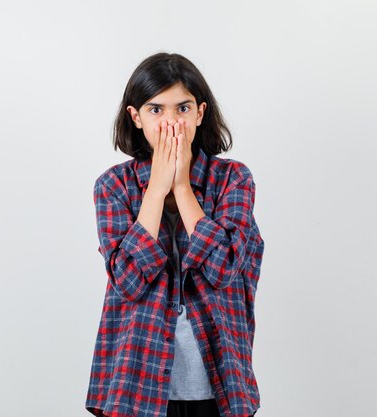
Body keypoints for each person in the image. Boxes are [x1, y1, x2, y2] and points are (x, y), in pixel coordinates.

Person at [85, 52, 264, 417]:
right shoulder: (113, 186)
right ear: (135, 117)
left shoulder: (233, 180)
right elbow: (129, 282)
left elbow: (224, 267)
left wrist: (182, 187)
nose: (171, 122)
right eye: (156, 110)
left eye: (182, 109)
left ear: (200, 113)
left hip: (220, 385)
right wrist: (155, 190)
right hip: (135, 386)